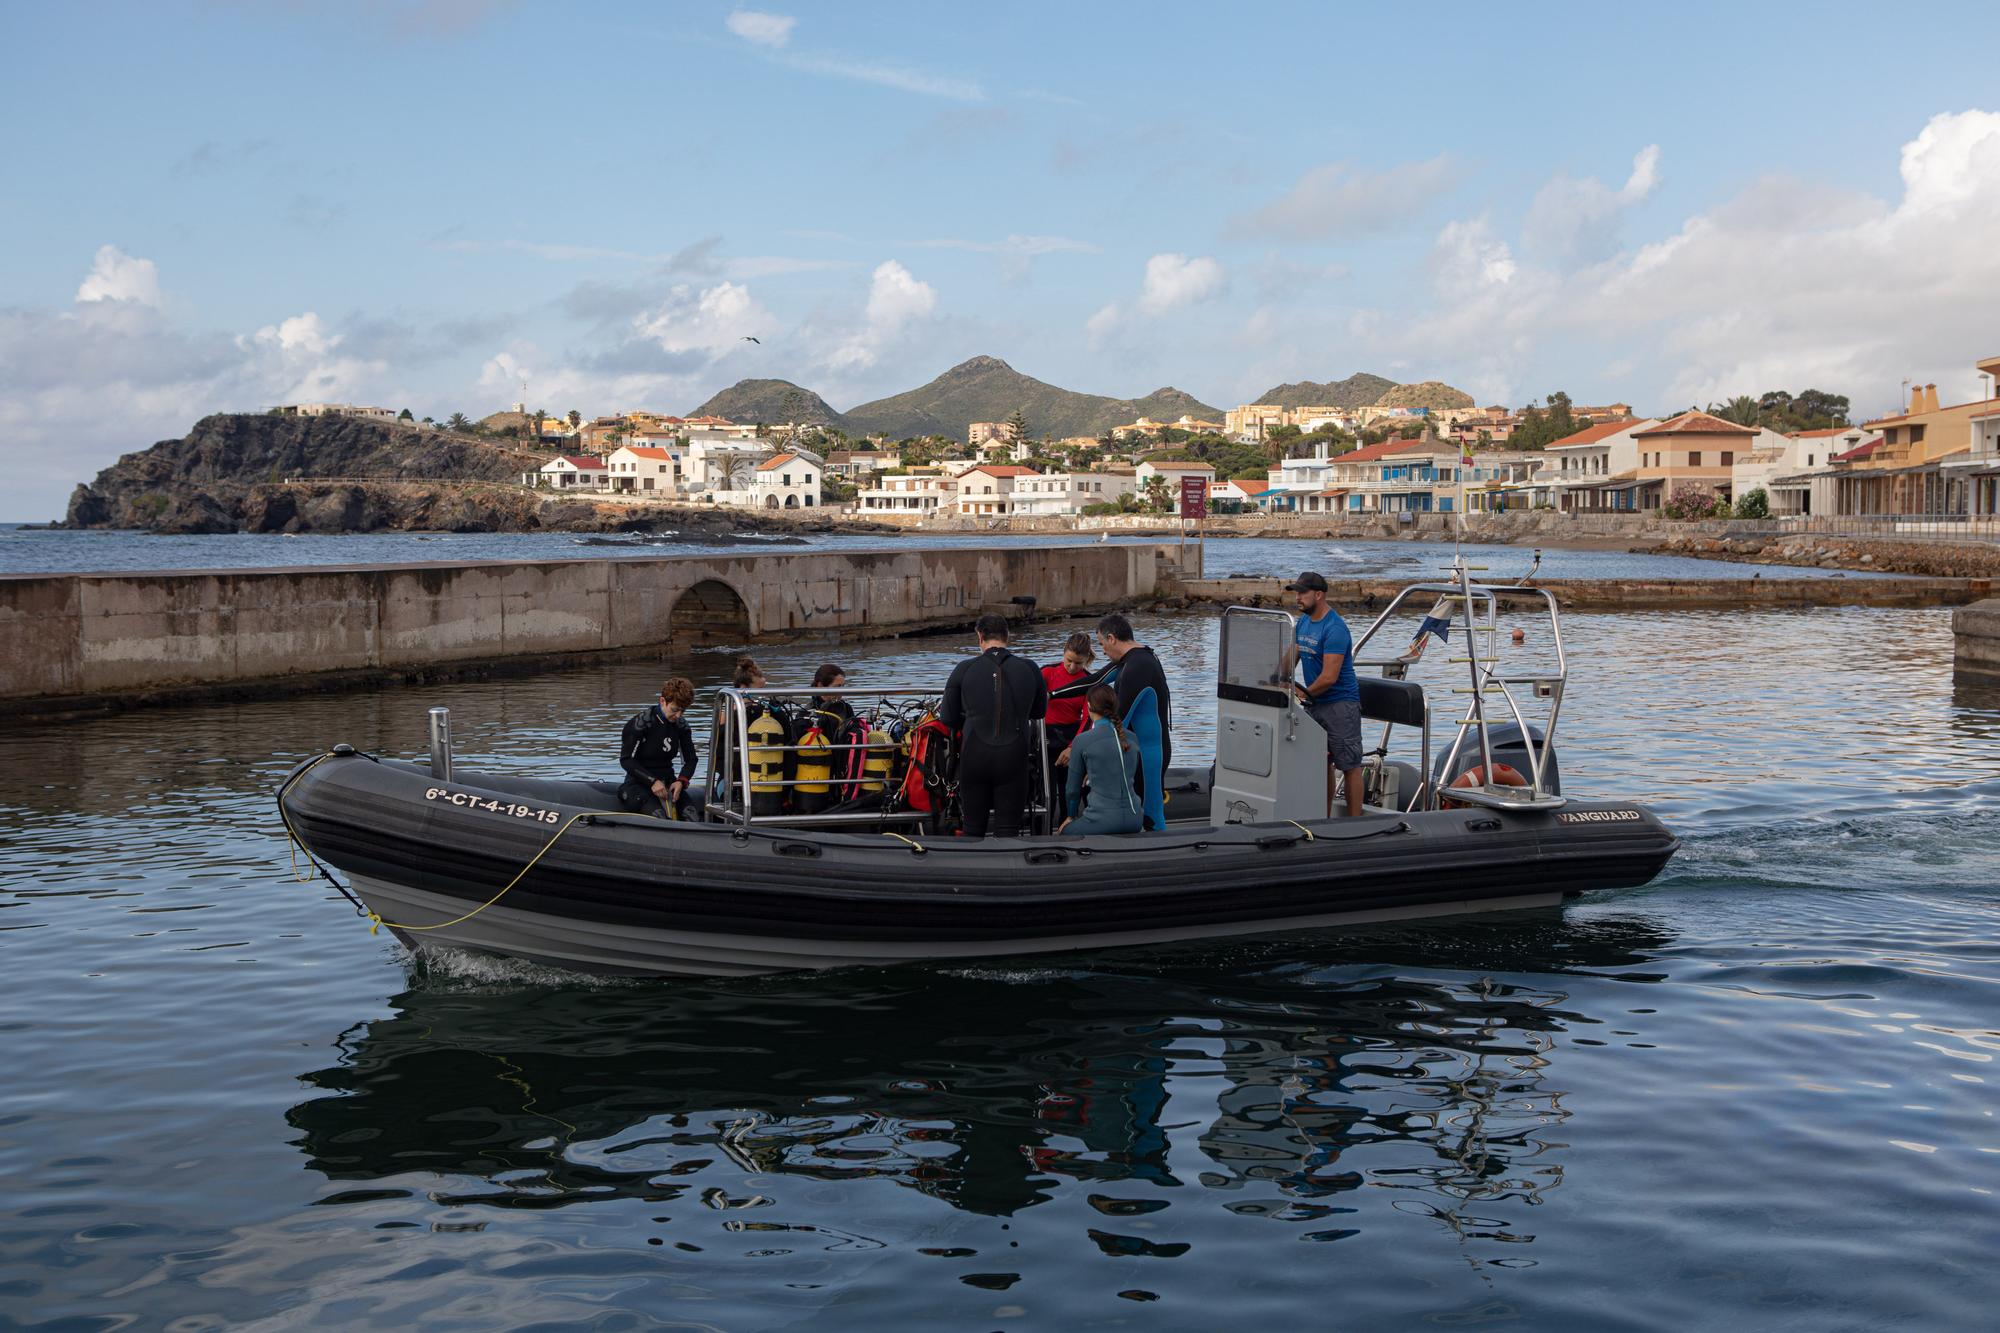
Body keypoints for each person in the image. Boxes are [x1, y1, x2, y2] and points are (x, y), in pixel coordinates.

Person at [939, 612, 1048, 837]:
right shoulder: (1030, 668)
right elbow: (1039, 711)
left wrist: (972, 719)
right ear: (1008, 636)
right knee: (1008, 830)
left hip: (975, 752)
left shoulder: (964, 669)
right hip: (1014, 755)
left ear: (980, 636)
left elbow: (948, 718)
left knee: (973, 828)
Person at [1287, 572, 1363, 817]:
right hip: (1314, 702)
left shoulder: (1335, 628)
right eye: (1296, 593)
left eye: (1302, 593)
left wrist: (1299, 693)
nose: (1297, 598)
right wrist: (1274, 679)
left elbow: (1330, 677)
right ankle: (1324, 817)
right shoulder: (1303, 623)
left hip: (1340, 704)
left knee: (1349, 765)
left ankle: (1354, 823)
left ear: (1318, 595)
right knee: (1322, 763)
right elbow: (1290, 659)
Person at [1059, 685, 1144, 836]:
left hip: (1102, 821)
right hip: (1135, 820)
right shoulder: (1132, 737)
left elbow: (1072, 790)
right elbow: (1136, 780)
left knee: (1065, 833)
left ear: (1089, 706)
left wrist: (1071, 816)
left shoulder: (1082, 740)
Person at [619, 677, 699, 819]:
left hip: (669, 782)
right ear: (663, 701)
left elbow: (691, 760)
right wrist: (653, 781)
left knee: (691, 815)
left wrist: (681, 781)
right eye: (674, 710)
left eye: (683, 711)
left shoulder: (682, 726)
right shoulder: (641, 724)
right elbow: (626, 760)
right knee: (659, 816)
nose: (678, 715)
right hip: (639, 783)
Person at [1041, 633, 1098, 758]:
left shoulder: (1089, 681)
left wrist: (1073, 747)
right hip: (1044, 735)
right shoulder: (1047, 672)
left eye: (1078, 663)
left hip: (1071, 736)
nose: (1072, 667)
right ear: (1064, 652)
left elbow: (1088, 718)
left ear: (1087, 658)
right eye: (1069, 660)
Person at [808, 662, 853, 730]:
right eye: (837, 687)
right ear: (820, 686)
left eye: (843, 686)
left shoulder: (846, 708)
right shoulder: (807, 712)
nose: (841, 691)